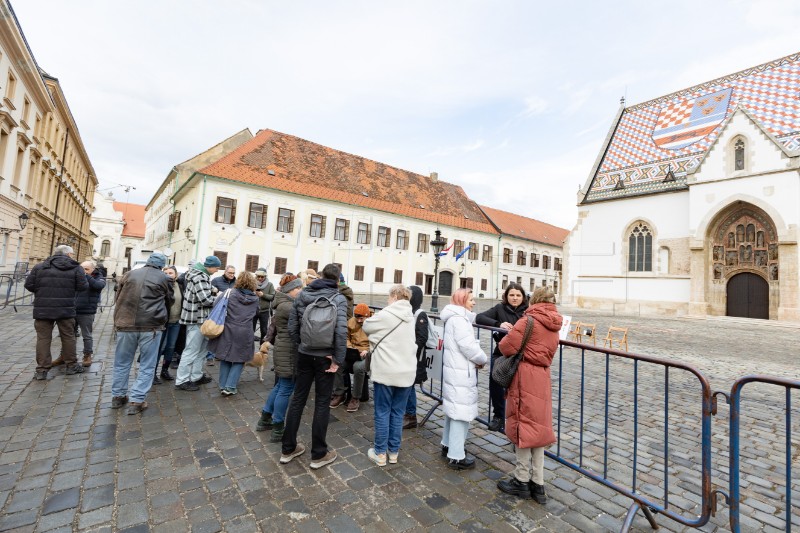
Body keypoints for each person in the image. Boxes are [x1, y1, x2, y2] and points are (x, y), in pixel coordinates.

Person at [496, 287, 562, 504]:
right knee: (539, 429)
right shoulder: (555, 324)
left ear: (533, 300)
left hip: (524, 374)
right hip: (542, 375)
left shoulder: (528, 321)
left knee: (522, 425)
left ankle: (521, 480)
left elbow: (506, 347)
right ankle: (538, 483)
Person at [280, 264, 348, 470]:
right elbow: (341, 332)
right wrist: (337, 359)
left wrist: (302, 345)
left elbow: (292, 327)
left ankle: (288, 448)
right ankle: (319, 454)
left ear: (319, 277)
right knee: (321, 402)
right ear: (337, 280)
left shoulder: (302, 294)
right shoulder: (339, 298)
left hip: (304, 353)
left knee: (298, 399)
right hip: (326, 357)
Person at [111, 252, 174, 414]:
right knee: (147, 363)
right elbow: (169, 301)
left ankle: (118, 396)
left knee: (122, 361)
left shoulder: (129, 274)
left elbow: (117, 297)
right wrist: (163, 319)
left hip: (125, 323)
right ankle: (137, 400)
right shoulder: (164, 278)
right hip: (151, 326)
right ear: (162, 265)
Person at [362, 285, 416, 466]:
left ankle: (379, 454)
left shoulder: (386, 314)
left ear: (394, 296)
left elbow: (367, 326)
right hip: (406, 372)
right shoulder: (411, 316)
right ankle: (393, 452)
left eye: (388, 297)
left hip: (386, 370)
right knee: (398, 412)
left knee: (383, 411)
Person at [439, 288, 488, 470]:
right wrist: (483, 358)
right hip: (461, 372)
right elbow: (468, 346)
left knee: (453, 410)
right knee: (461, 414)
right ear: (461, 301)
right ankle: (456, 455)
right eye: (470, 300)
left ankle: (447, 444)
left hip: (456, 370)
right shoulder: (459, 320)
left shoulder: (455, 317)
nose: (473, 303)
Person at [25, 244, 88, 379]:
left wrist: (42, 292)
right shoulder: (76, 268)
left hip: (43, 308)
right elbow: (83, 286)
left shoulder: (40, 266)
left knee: (43, 338)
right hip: (65, 308)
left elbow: (29, 285)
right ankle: (71, 365)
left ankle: (42, 370)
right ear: (68, 254)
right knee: (68, 337)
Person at [256, 274, 303, 442]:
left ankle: (265, 418)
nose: (301, 291)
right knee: (285, 389)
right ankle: (277, 427)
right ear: (290, 290)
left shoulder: (283, 304)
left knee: (280, 387)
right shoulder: (288, 307)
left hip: (283, 349)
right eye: (299, 288)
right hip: (288, 351)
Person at [476, 283, 528, 432]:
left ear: (523, 297)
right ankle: (498, 416)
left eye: (518, 295)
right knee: (496, 382)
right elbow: (480, 318)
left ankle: (518, 421)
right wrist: (498, 324)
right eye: (512, 295)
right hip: (501, 352)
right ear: (506, 296)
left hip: (520, 354)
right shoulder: (500, 309)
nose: (515, 298)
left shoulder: (528, 312)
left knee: (520, 389)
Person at [208, 271, 259, 395]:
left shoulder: (228, 293)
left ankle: (222, 385)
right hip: (245, 331)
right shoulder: (255, 298)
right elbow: (257, 313)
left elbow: (216, 304)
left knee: (225, 356)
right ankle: (230, 387)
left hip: (228, 328)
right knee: (240, 358)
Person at [175, 256, 221, 391]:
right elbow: (205, 300)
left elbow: (205, 292)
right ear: (210, 266)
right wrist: (220, 298)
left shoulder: (202, 276)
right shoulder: (200, 277)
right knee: (191, 350)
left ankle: (196, 376)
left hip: (202, 318)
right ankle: (181, 380)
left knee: (202, 350)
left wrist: (213, 290)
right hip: (196, 319)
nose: (217, 270)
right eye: (216, 267)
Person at [403, 285, 429, 429]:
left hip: (415, 358)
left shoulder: (420, 314)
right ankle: (407, 413)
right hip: (407, 356)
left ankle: (411, 416)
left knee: (409, 386)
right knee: (406, 384)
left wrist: (410, 349)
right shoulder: (408, 311)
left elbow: (422, 338)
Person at [73, 260, 106, 367]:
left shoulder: (98, 277)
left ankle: (87, 355)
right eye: (81, 269)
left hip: (86, 311)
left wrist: (86, 276)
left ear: (93, 269)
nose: (83, 271)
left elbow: (98, 285)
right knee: (69, 335)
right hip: (72, 310)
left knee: (86, 335)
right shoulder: (76, 276)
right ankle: (65, 355)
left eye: (86, 269)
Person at [156, 266, 183, 382]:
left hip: (176, 321)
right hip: (163, 322)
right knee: (158, 347)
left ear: (176, 274)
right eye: (165, 273)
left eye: (171, 273)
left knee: (170, 347)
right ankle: (152, 372)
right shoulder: (160, 286)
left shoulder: (180, 285)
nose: (168, 275)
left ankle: (164, 370)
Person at [343, 303, 372, 413]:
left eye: (362, 318)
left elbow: (377, 341)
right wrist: (350, 347)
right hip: (353, 351)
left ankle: (355, 398)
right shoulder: (351, 321)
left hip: (367, 353)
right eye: (357, 318)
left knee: (358, 367)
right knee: (339, 364)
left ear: (367, 316)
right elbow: (345, 337)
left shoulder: (373, 323)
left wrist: (367, 350)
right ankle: (341, 393)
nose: (359, 320)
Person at [207, 265, 236, 366]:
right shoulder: (216, 280)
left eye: (233, 273)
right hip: (218, 311)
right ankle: (210, 356)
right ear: (225, 272)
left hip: (230, 312)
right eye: (230, 273)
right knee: (214, 332)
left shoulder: (236, 283)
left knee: (225, 334)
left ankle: (219, 354)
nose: (232, 275)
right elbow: (209, 294)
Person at [253, 268, 275, 343]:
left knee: (264, 331)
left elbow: (272, 297)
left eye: (262, 277)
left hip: (265, 311)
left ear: (265, 276)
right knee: (250, 330)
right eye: (258, 276)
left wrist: (263, 295)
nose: (260, 278)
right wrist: (253, 294)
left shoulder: (270, 285)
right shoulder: (252, 283)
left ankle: (262, 350)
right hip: (253, 310)